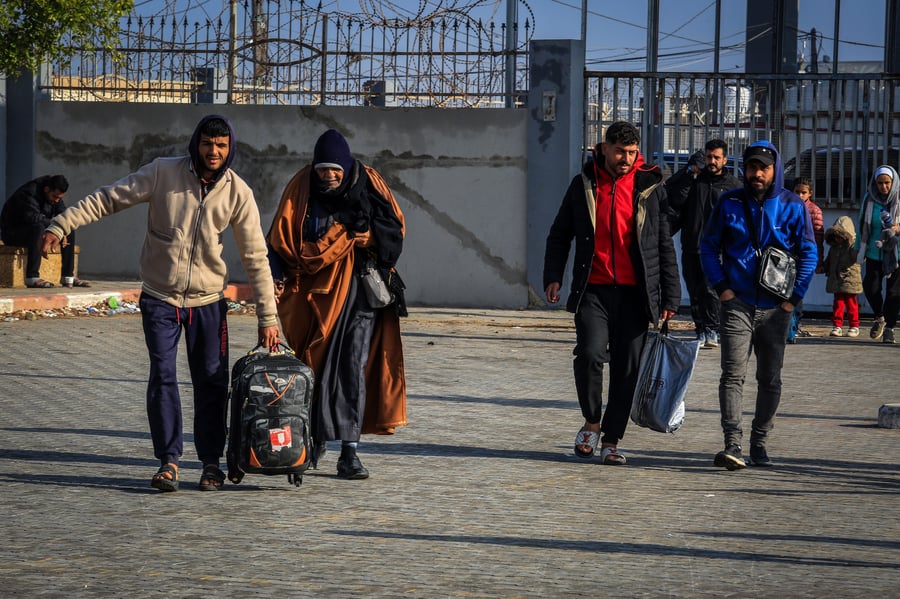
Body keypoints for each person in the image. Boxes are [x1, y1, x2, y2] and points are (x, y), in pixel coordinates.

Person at [39, 115, 280, 492]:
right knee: (163, 377)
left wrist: (269, 318)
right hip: (160, 298)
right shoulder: (162, 173)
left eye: (220, 145)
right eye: (206, 144)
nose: (213, 152)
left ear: (229, 148)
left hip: (208, 303)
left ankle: (211, 464)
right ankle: (168, 462)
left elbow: (256, 257)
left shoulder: (238, 192)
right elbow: (108, 198)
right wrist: (61, 224)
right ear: (195, 143)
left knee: (211, 383)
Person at [266, 129, 407, 480]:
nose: (329, 177)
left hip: (359, 292)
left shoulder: (369, 182)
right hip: (312, 298)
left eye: (335, 171)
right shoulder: (301, 188)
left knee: (353, 367)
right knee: (312, 366)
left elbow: (394, 229)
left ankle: (350, 450)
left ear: (347, 168)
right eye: (323, 170)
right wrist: (275, 275)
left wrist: (367, 236)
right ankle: (309, 443)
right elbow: (280, 239)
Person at [543, 120, 680, 465]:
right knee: (589, 354)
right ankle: (591, 420)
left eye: (632, 153)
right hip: (594, 290)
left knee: (627, 368)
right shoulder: (583, 185)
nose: (626, 158)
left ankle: (612, 439)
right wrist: (553, 276)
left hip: (636, 295)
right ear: (603, 148)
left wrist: (671, 296)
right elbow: (560, 234)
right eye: (620, 151)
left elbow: (663, 244)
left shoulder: (650, 187)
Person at [700, 141, 818, 470]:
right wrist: (721, 287)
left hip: (776, 309)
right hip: (736, 303)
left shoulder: (793, 205)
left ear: (775, 170)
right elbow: (708, 247)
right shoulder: (729, 203)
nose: (757, 173)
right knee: (732, 375)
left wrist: (793, 299)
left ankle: (760, 441)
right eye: (752, 167)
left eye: (763, 168)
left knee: (770, 379)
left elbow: (809, 252)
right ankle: (732, 443)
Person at [665, 139, 741, 349]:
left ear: (725, 159)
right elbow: (674, 198)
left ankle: (713, 329)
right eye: (709, 157)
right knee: (695, 289)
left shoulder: (733, 186)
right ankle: (700, 329)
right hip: (691, 244)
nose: (712, 161)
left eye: (717, 157)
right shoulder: (695, 181)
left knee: (711, 289)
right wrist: (689, 173)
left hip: (717, 249)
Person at [0, 174, 89, 288]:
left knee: (68, 228)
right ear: (46, 189)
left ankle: (68, 277)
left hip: (35, 230)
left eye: (59, 198)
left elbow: (62, 215)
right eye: (54, 197)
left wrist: (63, 228)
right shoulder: (28, 193)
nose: (57, 201)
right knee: (39, 227)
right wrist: (57, 227)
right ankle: (32, 277)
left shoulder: (55, 198)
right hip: (13, 233)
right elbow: (33, 218)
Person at [854, 165, 900, 343]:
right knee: (871, 287)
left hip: (896, 253)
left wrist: (897, 228)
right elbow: (862, 225)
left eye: (887, 183)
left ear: (893, 182)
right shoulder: (869, 198)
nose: (883, 187)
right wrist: (857, 249)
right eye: (880, 183)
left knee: (894, 292)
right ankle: (879, 317)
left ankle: (889, 328)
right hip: (874, 251)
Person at [787, 176, 825, 342]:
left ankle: (794, 325)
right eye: (797, 192)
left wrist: (818, 260)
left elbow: (818, 237)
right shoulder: (787, 206)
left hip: (804, 258)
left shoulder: (814, 211)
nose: (800, 196)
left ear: (810, 193)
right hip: (787, 256)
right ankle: (787, 326)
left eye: (804, 193)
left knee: (798, 292)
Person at [823, 215, 863, 337]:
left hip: (850, 279)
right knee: (838, 303)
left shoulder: (853, 246)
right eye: (835, 236)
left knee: (852, 304)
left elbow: (859, 258)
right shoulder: (834, 248)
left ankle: (854, 325)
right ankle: (837, 325)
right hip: (836, 279)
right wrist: (823, 267)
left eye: (840, 236)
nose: (838, 238)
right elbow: (829, 261)